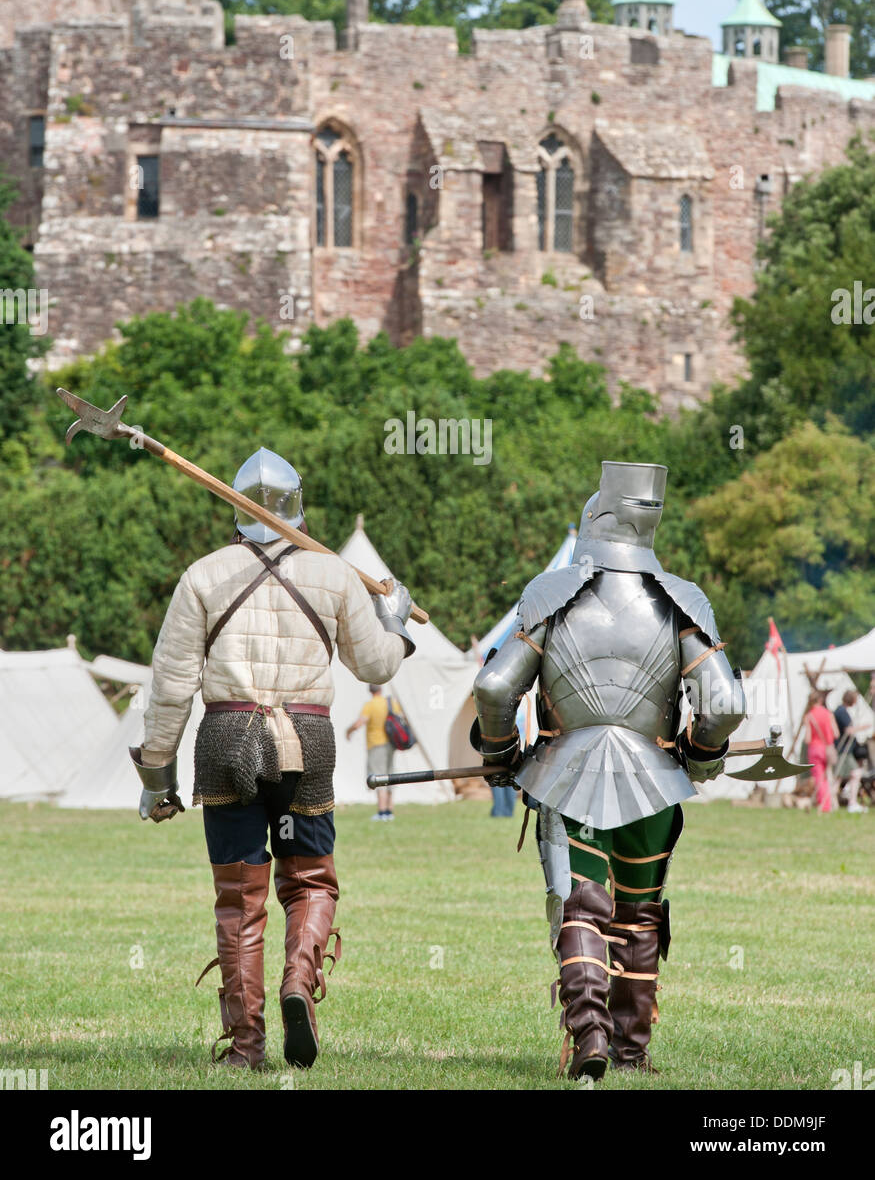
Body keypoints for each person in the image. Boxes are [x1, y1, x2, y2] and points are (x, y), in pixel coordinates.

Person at [128, 447, 415, 1071]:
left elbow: (171, 686)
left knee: (238, 898)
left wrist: (157, 776)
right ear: (299, 509)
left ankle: (246, 1046)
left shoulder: (202, 574)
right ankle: (297, 985)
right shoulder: (334, 574)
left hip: (226, 740)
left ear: (236, 513)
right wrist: (395, 621)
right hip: (305, 745)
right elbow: (376, 665)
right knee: (309, 880)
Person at [473, 460, 746, 1080]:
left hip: (567, 775)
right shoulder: (681, 600)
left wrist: (500, 757)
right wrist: (698, 758)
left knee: (582, 906)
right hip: (655, 780)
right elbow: (725, 703)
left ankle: (589, 1032)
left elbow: (494, 687)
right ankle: (630, 1049)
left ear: (594, 523)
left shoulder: (552, 594)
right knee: (641, 914)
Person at [347, 683, 396, 821]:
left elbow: (360, 722)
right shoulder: (390, 702)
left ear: (370, 690)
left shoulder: (370, 705)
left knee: (379, 778)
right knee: (391, 776)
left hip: (376, 745)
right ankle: (389, 811)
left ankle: (382, 812)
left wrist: (349, 731)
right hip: (391, 745)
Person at [833, 688, 869, 813]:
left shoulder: (841, 710)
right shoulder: (842, 711)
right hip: (843, 750)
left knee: (839, 777)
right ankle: (851, 802)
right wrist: (863, 727)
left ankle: (833, 802)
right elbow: (849, 730)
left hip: (843, 750)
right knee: (852, 774)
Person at [806, 692, 839, 813]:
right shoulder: (828, 714)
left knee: (819, 778)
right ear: (820, 701)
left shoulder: (809, 716)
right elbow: (836, 733)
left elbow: (807, 739)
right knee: (829, 777)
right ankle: (831, 803)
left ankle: (824, 805)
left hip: (815, 748)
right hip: (828, 748)